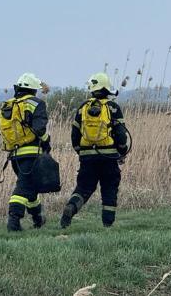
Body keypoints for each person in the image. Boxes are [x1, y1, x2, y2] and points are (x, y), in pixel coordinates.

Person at [0, 72, 51, 231]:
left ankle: (38, 219)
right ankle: (14, 222)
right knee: (23, 187)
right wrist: (47, 143)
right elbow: (40, 129)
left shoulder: (7, 106)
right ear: (33, 90)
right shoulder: (36, 104)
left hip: (15, 157)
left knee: (31, 186)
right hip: (32, 155)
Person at [60, 72, 129, 228]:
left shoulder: (83, 108)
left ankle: (71, 207)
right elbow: (121, 135)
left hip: (87, 157)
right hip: (109, 157)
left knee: (83, 188)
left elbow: (74, 134)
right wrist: (121, 152)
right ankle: (107, 224)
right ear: (106, 88)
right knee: (109, 188)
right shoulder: (113, 107)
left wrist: (81, 151)